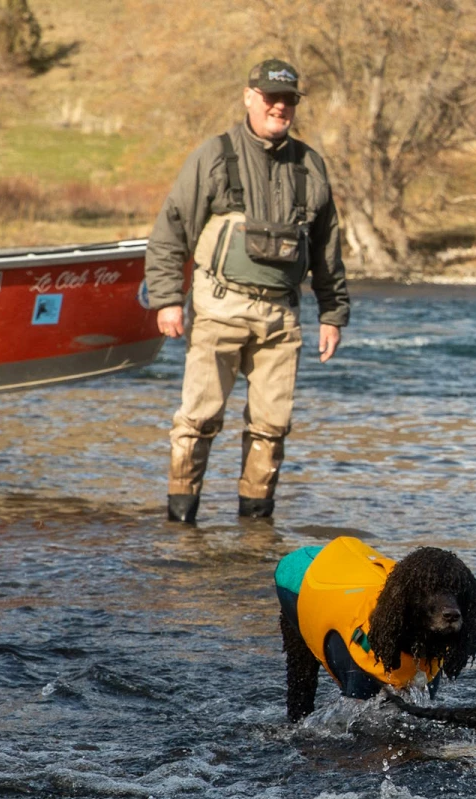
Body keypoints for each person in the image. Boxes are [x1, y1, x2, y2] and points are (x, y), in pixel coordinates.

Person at [145, 58, 350, 523]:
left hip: (282, 319)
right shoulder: (214, 155)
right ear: (248, 97)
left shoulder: (310, 165)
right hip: (218, 309)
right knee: (198, 419)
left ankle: (256, 528)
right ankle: (181, 520)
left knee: (271, 426)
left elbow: (327, 248)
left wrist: (333, 314)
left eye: (289, 101)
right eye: (272, 99)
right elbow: (170, 231)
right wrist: (167, 300)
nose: (280, 108)